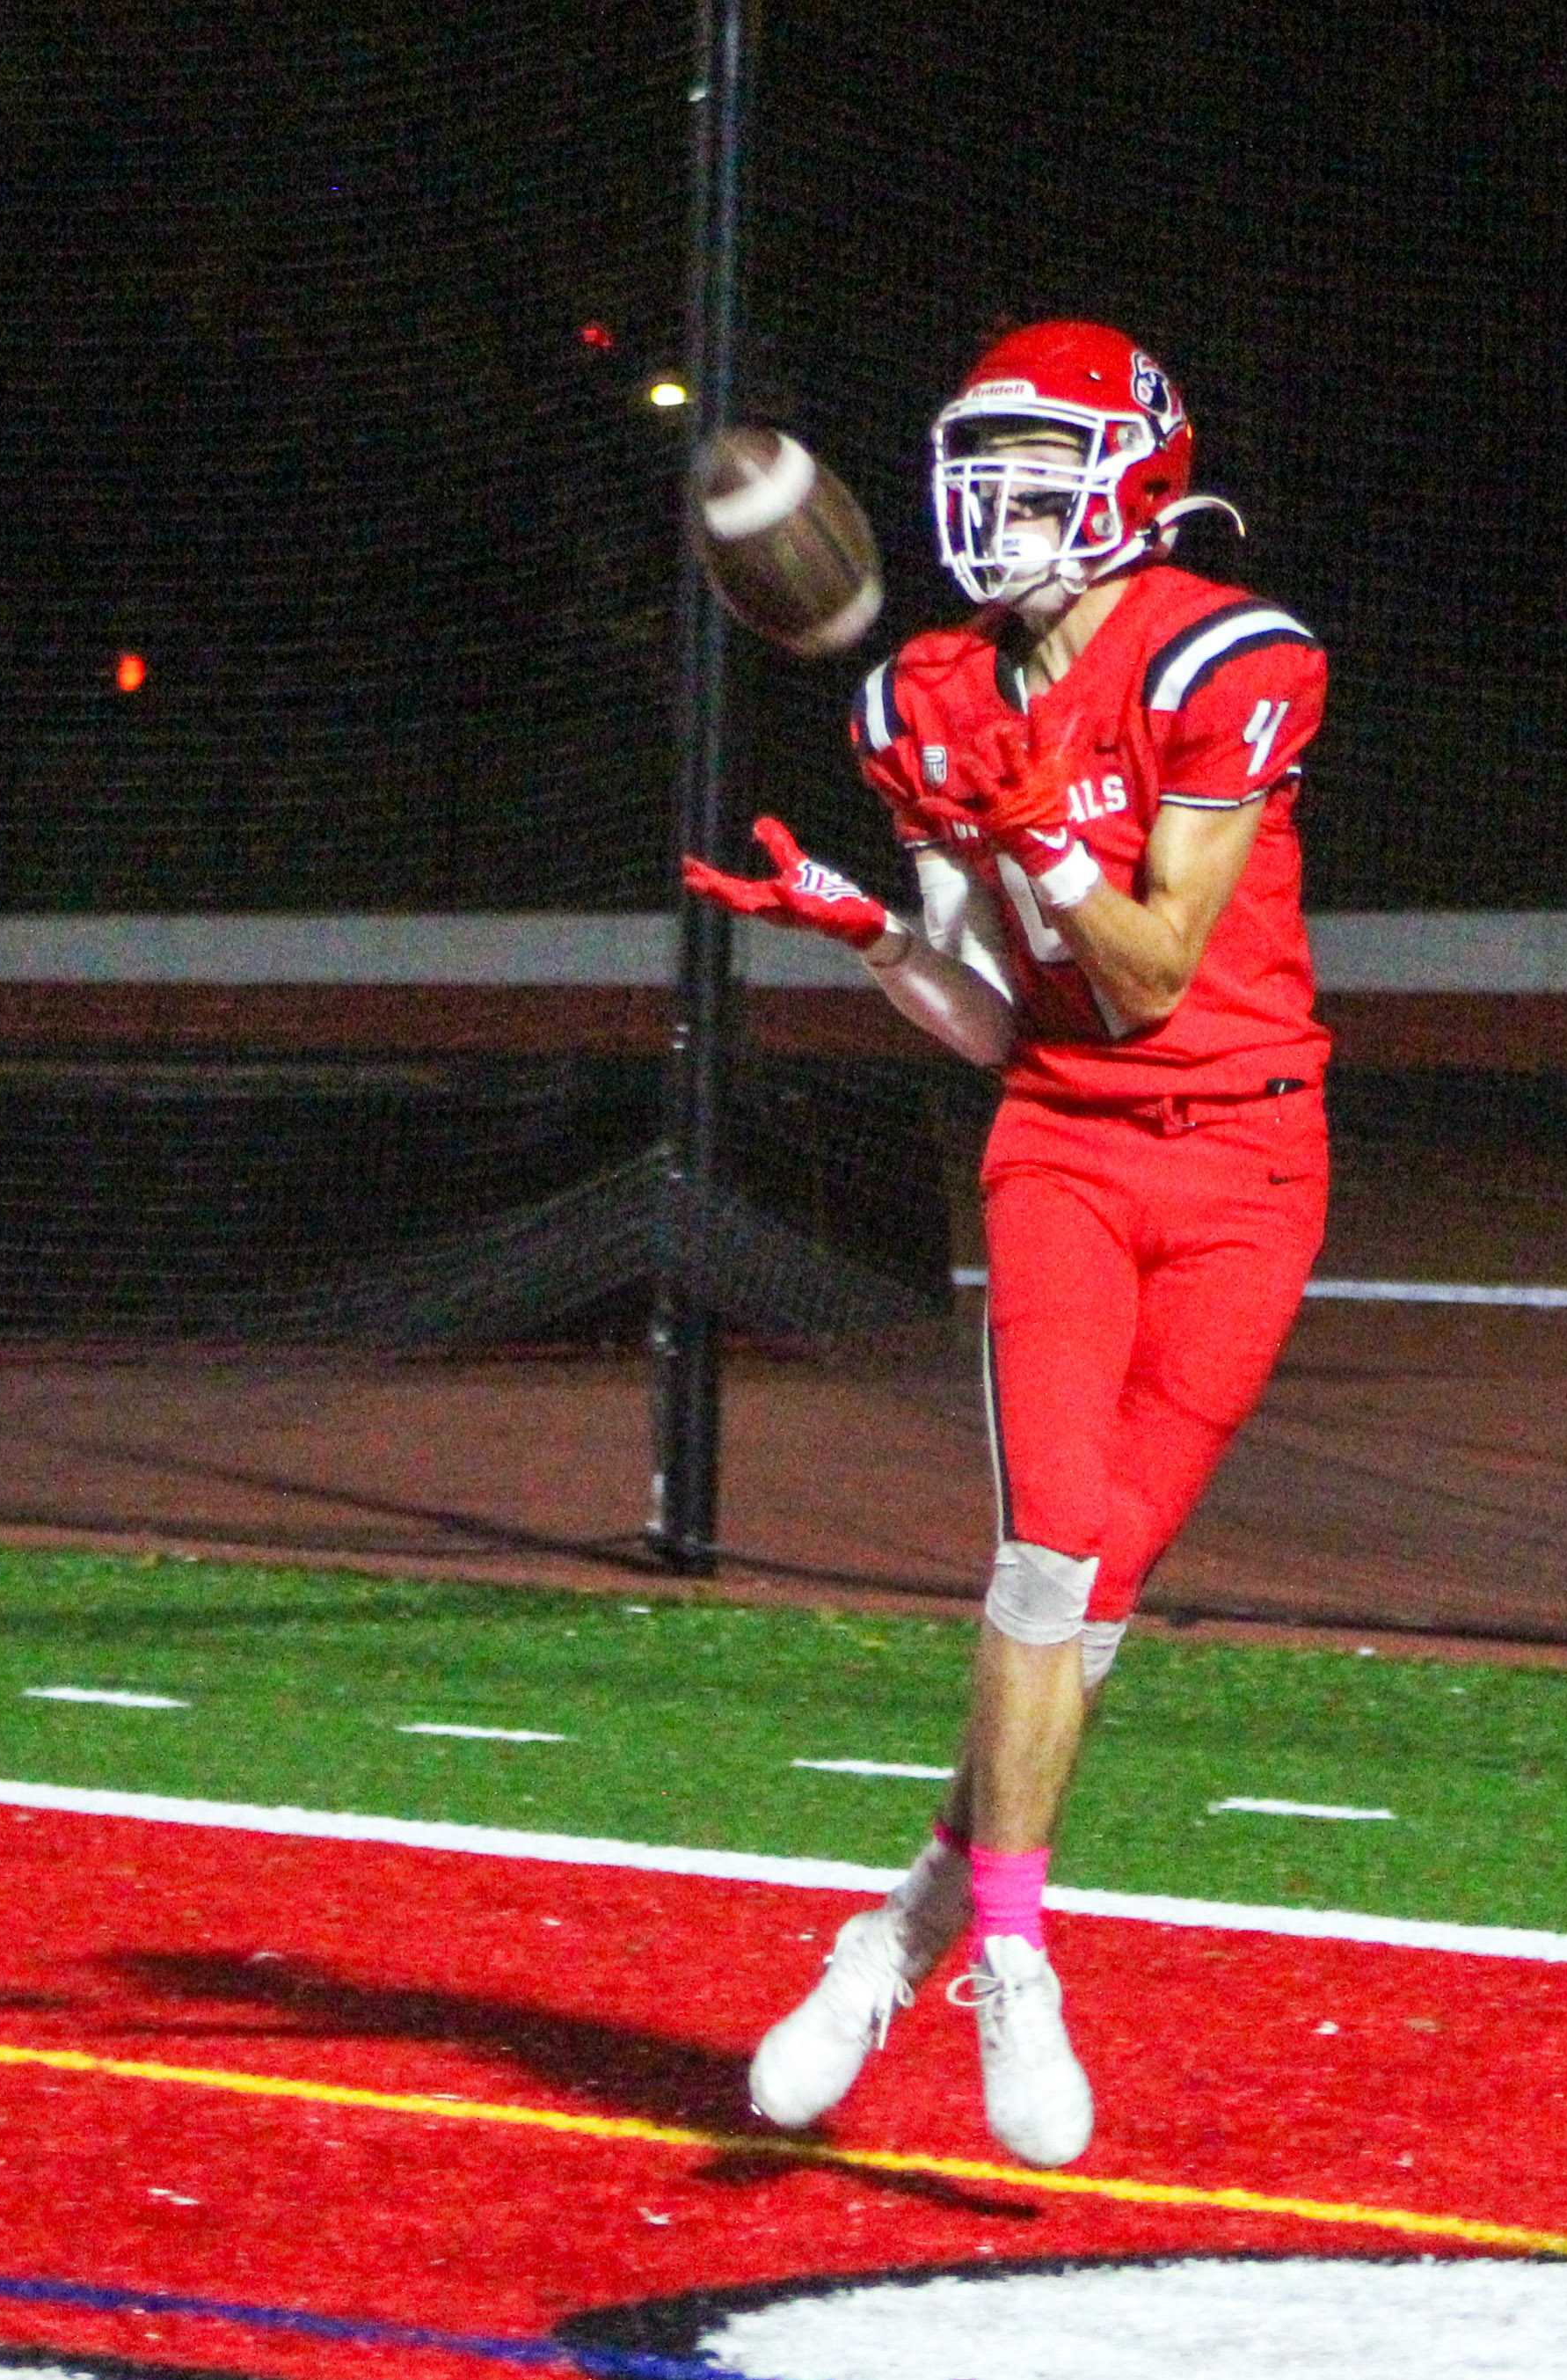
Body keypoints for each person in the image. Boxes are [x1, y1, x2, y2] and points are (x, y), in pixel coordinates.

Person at [680, 319, 1330, 2170]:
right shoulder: (921, 695)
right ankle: (1018, 1956)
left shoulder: (1231, 653)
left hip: (1250, 1169)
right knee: (1043, 1560)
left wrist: (1040, 826)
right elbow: (999, 1020)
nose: (998, 509)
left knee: (1102, 1594)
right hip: (1063, 1146)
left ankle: (896, 1933)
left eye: (1045, 472)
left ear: (1131, 478)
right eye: (988, 469)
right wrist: (868, 926)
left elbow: (1146, 970)